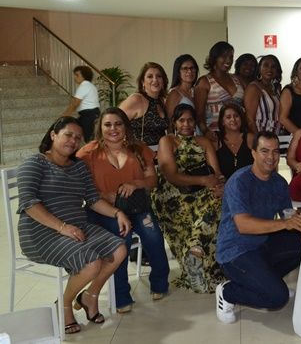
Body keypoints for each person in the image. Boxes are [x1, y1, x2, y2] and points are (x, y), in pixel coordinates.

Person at [17, 117, 129, 335]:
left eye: (78, 138)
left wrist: (118, 213)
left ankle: (90, 296)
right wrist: (62, 227)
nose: (73, 141)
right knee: (91, 263)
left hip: (76, 227)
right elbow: (29, 204)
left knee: (119, 250)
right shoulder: (35, 163)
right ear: (53, 135)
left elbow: (93, 200)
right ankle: (64, 305)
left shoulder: (79, 167)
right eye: (68, 135)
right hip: (42, 233)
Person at [77, 108, 169, 313]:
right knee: (122, 237)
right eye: (108, 124)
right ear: (100, 128)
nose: (113, 129)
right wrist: (104, 195)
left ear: (126, 127)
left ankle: (160, 282)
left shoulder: (139, 148)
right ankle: (121, 295)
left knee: (153, 234)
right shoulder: (88, 153)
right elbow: (81, 188)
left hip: (136, 207)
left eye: (118, 124)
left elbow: (152, 180)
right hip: (102, 211)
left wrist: (135, 183)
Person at [215, 131, 301, 323]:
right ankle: (228, 292)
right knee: (277, 297)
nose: (271, 157)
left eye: (275, 151)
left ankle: (267, 281)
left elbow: (287, 216)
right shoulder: (239, 181)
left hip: (262, 244)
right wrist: (285, 223)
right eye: (265, 151)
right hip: (235, 252)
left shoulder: (279, 182)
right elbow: (244, 225)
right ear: (254, 153)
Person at [153, 103, 226, 293]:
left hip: (202, 191)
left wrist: (219, 186)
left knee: (221, 201)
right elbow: (171, 176)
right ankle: (197, 256)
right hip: (173, 195)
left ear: (195, 122)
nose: (186, 124)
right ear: (174, 123)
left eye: (190, 120)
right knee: (210, 205)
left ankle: (196, 253)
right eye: (181, 120)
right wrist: (203, 180)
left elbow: (216, 172)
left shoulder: (203, 142)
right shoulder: (167, 141)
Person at [194, 41, 244, 141]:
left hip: (238, 135)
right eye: (224, 56)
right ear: (214, 58)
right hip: (215, 136)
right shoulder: (204, 82)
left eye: (231, 57)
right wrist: (206, 132)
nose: (228, 60)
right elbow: (199, 115)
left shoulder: (237, 79)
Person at [119, 62, 169, 151]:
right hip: (140, 155)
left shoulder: (161, 101)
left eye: (159, 76)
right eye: (150, 76)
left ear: (163, 81)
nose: (155, 80)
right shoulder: (137, 99)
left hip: (160, 154)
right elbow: (116, 122)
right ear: (143, 82)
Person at [244, 55, 282, 134]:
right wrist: (258, 138)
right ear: (259, 68)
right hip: (261, 134)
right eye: (266, 65)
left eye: (273, 66)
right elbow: (249, 119)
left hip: (276, 134)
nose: (269, 69)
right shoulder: (253, 88)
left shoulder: (276, 88)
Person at [216, 103, 255, 180]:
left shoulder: (250, 138)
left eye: (236, 116)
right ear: (222, 122)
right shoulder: (216, 140)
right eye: (228, 117)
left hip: (249, 183)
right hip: (225, 185)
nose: (233, 119)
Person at [62, 65, 101, 142]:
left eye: (77, 75)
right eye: (74, 75)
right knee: (81, 132)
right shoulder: (89, 85)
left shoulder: (84, 86)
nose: (75, 77)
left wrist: (65, 115)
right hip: (90, 114)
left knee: (89, 139)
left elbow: (75, 103)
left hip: (89, 115)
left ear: (84, 76)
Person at [165, 54, 199, 122]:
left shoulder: (196, 91)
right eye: (185, 68)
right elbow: (169, 121)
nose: (189, 71)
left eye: (192, 68)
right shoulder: (174, 93)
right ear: (178, 72)